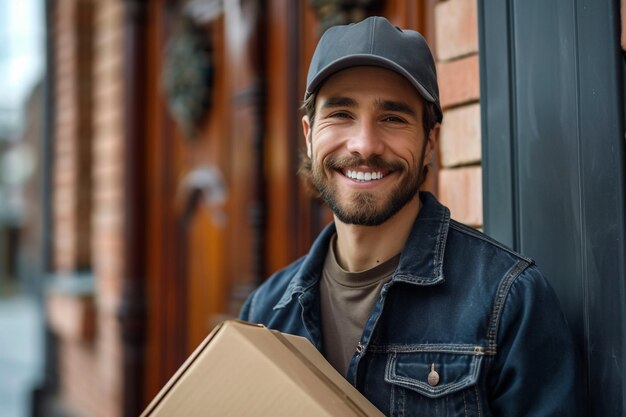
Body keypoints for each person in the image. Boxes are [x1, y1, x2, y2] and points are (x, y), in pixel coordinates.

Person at [240, 16, 582, 416]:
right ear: (308, 135)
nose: (365, 145)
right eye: (341, 114)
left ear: (430, 142)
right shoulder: (265, 314)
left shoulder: (510, 300)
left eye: (393, 118)